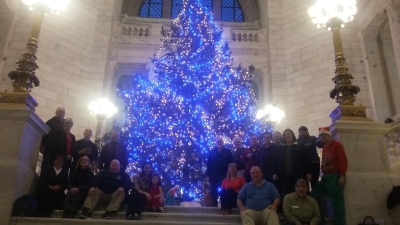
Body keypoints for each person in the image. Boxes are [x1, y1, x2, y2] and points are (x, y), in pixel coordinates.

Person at [310, 127, 348, 225]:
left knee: (336, 202)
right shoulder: (325, 148)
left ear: (328, 135)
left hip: (334, 175)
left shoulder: (337, 145)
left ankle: (339, 223)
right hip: (325, 177)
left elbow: (342, 160)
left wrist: (342, 175)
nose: (322, 138)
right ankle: (321, 220)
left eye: (323, 136)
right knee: (314, 195)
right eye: (321, 136)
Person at [274, 129, 312, 198]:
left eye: (288, 134)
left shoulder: (300, 146)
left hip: (299, 175)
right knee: (287, 194)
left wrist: (308, 172)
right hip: (285, 176)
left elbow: (306, 159)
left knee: (300, 192)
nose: (287, 136)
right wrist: (275, 172)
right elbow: (276, 161)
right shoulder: (280, 148)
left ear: (292, 135)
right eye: (285, 134)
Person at [206, 137, 233, 207]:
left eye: (221, 141)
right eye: (218, 142)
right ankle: (214, 207)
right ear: (216, 142)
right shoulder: (211, 152)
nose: (219, 143)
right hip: (213, 175)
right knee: (213, 192)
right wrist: (208, 176)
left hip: (224, 175)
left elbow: (231, 164)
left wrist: (230, 174)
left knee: (224, 192)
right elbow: (208, 164)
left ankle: (224, 207)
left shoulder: (228, 151)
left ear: (223, 142)